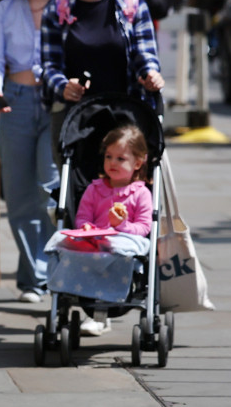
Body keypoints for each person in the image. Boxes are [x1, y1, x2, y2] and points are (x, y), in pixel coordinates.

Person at [0, 0, 73, 303]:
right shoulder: (4, 9)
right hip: (15, 102)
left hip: (56, 104)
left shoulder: (66, 5)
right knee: (19, 196)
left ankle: (48, 272)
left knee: (49, 192)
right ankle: (33, 279)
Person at [41, 0, 165, 165]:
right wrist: (63, 86)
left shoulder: (133, 5)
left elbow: (145, 55)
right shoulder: (56, 9)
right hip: (77, 123)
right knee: (77, 183)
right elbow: (49, 66)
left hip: (128, 117)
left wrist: (151, 74)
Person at [45, 124, 153, 335]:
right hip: (95, 241)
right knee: (63, 242)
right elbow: (83, 216)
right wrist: (86, 226)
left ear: (138, 163)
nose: (112, 162)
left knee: (120, 250)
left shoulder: (140, 194)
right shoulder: (94, 189)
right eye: (108, 157)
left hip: (123, 241)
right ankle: (62, 288)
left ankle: (100, 314)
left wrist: (121, 225)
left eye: (120, 159)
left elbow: (143, 227)